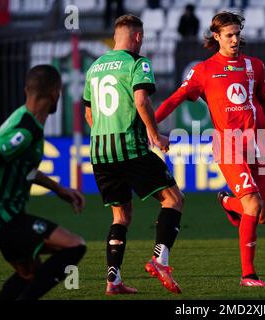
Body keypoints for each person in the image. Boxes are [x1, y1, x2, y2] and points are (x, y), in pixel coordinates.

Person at [155, 11, 265, 287]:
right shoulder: (203, 70)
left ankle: (227, 201)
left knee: (261, 215)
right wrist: (150, 125)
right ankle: (248, 275)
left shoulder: (255, 66)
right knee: (251, 204)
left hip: (257, 145)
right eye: (229, 35)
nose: (235, 39)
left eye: (238, 33)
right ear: (216, 37)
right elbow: (175, 99)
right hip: (228, 146)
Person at [83, 14, 184, 295]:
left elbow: (89, 113)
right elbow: (141, 99)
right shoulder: (138, 63)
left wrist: (105, 133)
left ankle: (112, 281)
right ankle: (160, 259)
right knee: (174, 199)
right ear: (138, 37)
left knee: (121, 216)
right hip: (130, 147)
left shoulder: (94, 68)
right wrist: (154, 134)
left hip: (100, 153)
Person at [0, 65, 86, 300]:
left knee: (30, 275)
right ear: (56, 93)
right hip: (6, 219)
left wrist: (59, 190)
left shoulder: (23, 119)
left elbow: (23, 166)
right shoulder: (26, 130)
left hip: (11, 217)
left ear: (27, 89)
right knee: (75, 245)